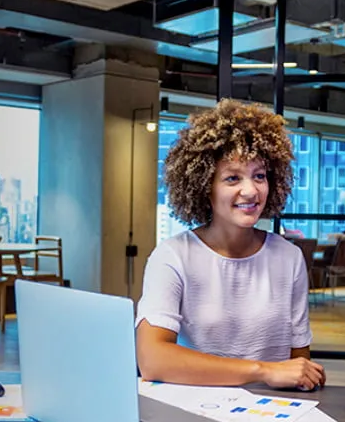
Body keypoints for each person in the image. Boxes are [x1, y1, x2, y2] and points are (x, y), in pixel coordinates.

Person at [136, 99, 325, 391]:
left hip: (273, 415)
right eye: (232, 178)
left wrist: (302, 376)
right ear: (204, 186)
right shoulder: (173, 256)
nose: (250, 191)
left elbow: (297, 363)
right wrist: (262, 370)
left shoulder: (289, 258)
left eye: (259, 176)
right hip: (193, 413)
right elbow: (152, 360)